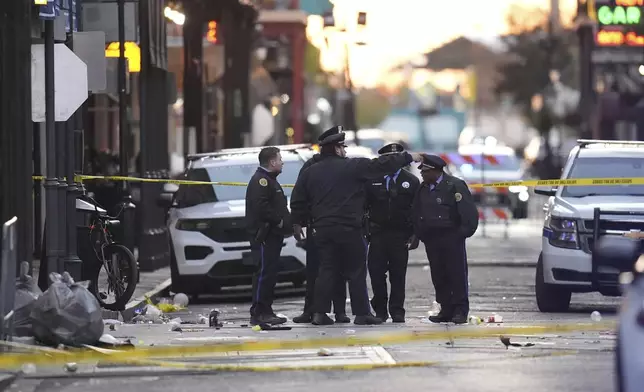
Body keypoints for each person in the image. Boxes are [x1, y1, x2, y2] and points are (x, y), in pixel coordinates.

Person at [290, 126, 423, 325]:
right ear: (336, 149)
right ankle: (362, 313)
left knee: (326, 270)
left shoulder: (311, 171)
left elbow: (298, 198)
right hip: (349, 228)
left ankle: (319, 313)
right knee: (356, 270)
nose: (345, 150)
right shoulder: (352, 167)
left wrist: (298, 222)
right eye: (342, 147)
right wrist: (409, 157)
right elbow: (381, 164)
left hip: (323, 229)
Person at [411, 154, 479, 324]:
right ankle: (446, 309)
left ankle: (460, 310)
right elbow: (417, 211)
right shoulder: (423, 189)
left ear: (435, 170)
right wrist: (420, 234)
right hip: (432, 239)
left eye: (425, 172)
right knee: (439, 275)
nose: (422, 175)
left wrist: (461, 233)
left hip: (451, 237)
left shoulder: (454, 185)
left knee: (456, 274)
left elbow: (468, 213)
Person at [292, 130, 349, 324]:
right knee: (315, 271)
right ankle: (311, 310)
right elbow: (300, 197)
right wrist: (298, 222)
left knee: (339, 270)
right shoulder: (310, 166)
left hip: (333, 226)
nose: (343, 150)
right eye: (340, 146)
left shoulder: (343, 165)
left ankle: (340, 311)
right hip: (317, 226)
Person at [364, 143, 420, 323]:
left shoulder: (411, 181)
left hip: (400, 234)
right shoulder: (372, 179)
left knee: (398, 275)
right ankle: (380, 309)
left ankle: (397, 311)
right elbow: (363, 206)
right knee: (376, 273)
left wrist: (415, 234)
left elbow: (416, 210)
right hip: (378, 234)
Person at [245, 147, 292, 326]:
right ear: (272, 162)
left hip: (272, 235)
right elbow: (261, 206)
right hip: (265, 235)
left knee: (270, 273)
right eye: (280, 159)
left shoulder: (269, 180)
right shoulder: (262, 181)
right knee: (264, 273)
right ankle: (259, 312)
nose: (282, 162)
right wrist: (279, 221)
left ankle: (267, 310)